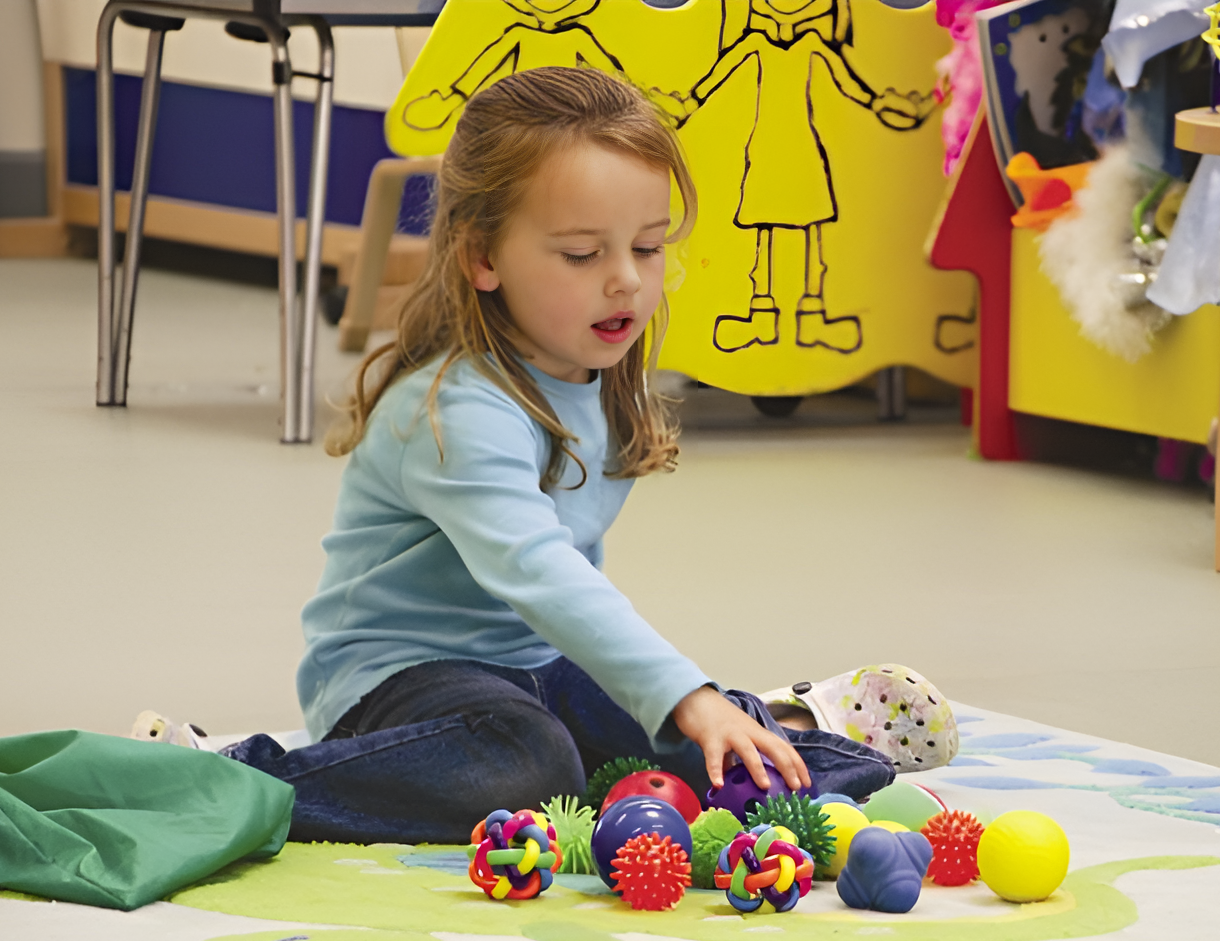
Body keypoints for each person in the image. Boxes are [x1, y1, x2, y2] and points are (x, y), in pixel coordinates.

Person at [182, 67, 950, 845]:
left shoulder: (597, 373)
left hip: (540, 671)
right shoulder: (453, 410)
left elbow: (575, 616)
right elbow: (542, 571)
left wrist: (696, 710)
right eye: (582, 254)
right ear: (483, 257)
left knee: (730, 758)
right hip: (400, 684)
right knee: (530, 768)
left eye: (648, 247)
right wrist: (685, 695)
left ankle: (795, 722)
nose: (626, 280)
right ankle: (231, 776)